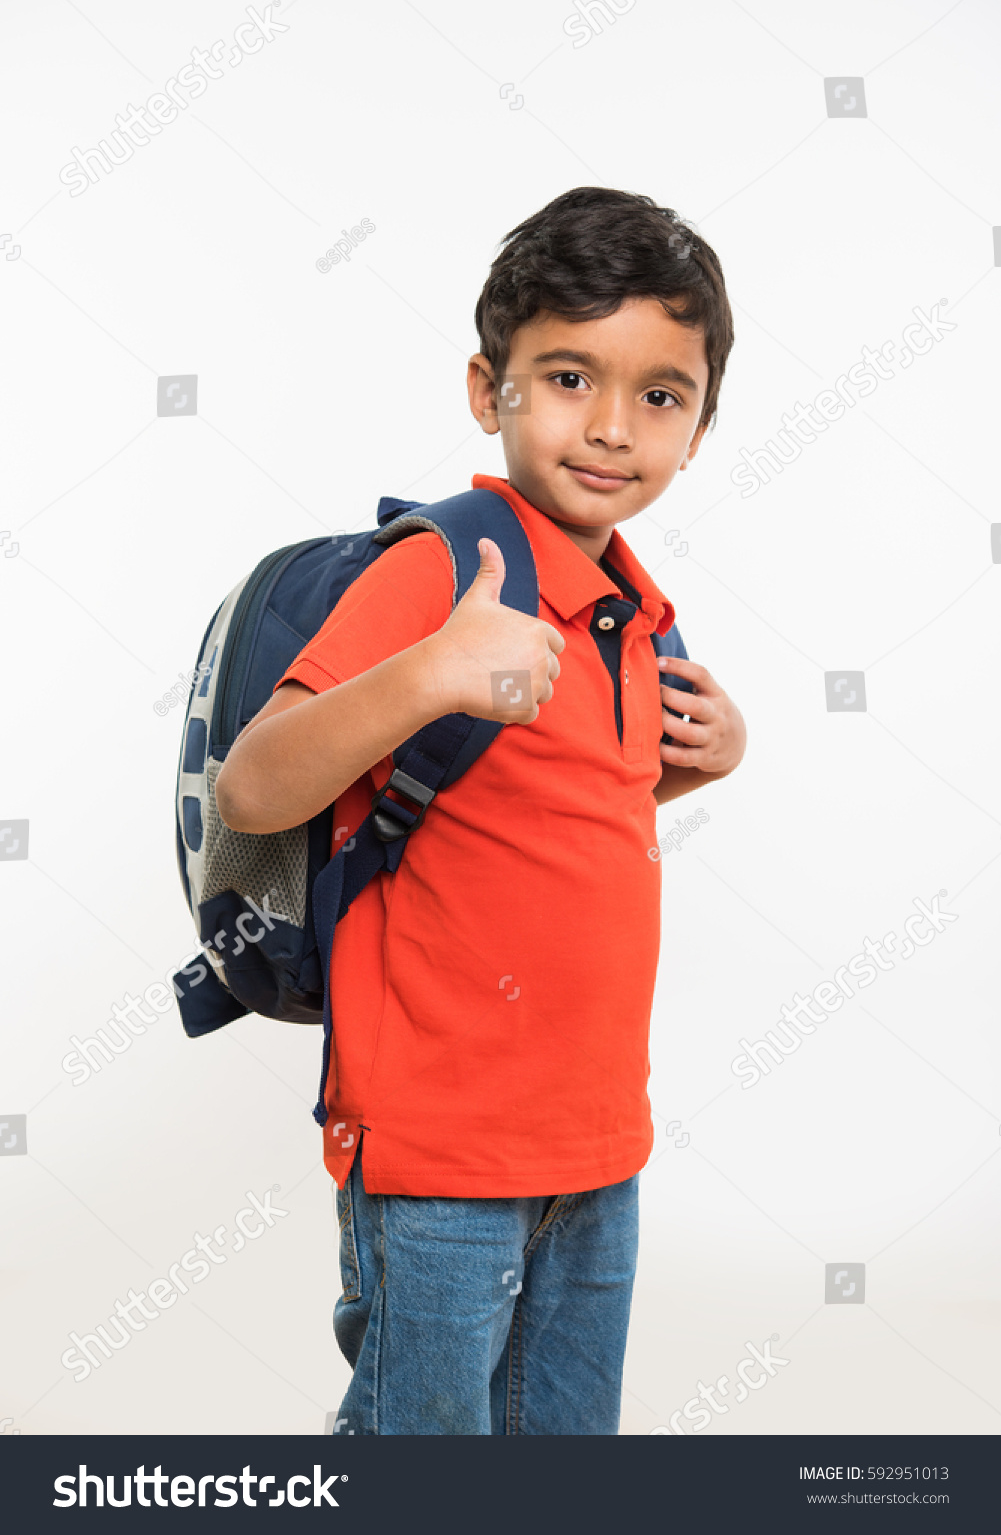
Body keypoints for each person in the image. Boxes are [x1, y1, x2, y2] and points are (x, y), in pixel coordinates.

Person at [215, 185, 747, 1434]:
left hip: (598, 1140)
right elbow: (255, 784)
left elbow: (553, 807)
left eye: (657, 396)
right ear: (485, 388)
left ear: (698, 428)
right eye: (567, 377)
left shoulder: (635, 608)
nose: (611, 428)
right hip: (438, 1148)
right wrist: (423, 672)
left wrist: (704, 758)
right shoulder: (442, 572)